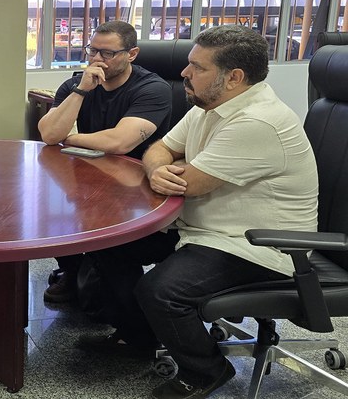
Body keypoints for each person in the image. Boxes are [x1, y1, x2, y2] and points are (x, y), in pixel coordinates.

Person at [132, 25, 318, 398]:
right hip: (203, 229)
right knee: (115, 247)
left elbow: (191, 183)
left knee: (161, 291)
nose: (184, 74)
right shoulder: (209, 105)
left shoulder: (257, 121)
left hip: (258, 245)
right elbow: (158, 149)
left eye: (197, 67)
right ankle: (133, 339)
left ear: (233, 78)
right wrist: (157, 166)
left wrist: (165, 167)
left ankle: (205, 372)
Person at [37, 20, 172, 303]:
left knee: (101, 277)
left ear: (131, 54)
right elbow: (49, 133)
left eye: (107, 53)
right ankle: (72, 271)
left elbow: (120, 142)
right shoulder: (77, 83)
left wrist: (70, 139)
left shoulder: (153, 88)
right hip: (89, 174)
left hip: (135, 187)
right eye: (92, 51)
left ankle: (113, 292)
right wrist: (81, 90)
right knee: (54, 210)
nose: (97, 59)